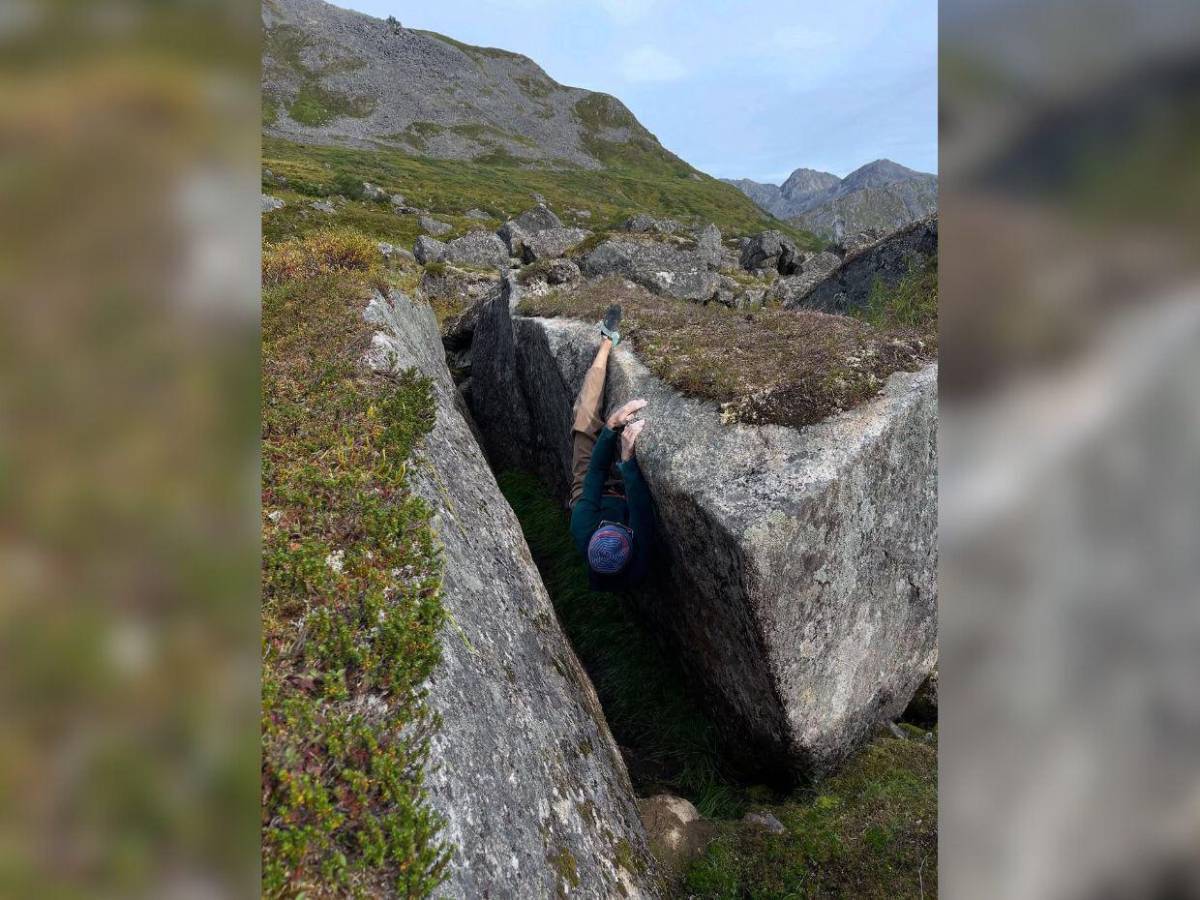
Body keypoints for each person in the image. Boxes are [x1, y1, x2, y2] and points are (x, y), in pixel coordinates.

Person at [568, 305, 654, 591]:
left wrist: (610, 429)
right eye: (624, 530)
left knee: (584, 420)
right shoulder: (641, 562)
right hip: (623, 498)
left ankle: (606, 342)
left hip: (591, 493)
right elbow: (640, 509)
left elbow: (594, 474)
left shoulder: (582, 524)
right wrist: (627, 459)